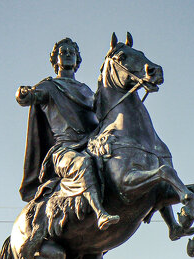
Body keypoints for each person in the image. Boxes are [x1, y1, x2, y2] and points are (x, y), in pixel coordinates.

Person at [16, 37, 119, 230]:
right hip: (64, 150)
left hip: (90, 145)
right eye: (63, 52)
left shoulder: (87, 90)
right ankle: (100, 213)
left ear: (77, 59)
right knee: (82, 164)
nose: (68, 55)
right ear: (55, 59)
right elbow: (30, 97)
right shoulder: (48, 87)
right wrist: (23, 95)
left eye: (72, 52)